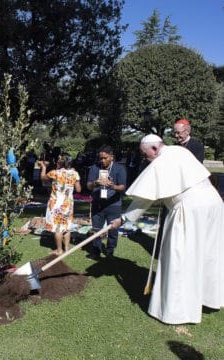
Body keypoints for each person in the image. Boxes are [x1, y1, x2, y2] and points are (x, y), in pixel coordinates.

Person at [111, 134, 223, 324]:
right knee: (208, 253)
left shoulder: (160, 162)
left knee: (179, 256)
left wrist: (123, 219)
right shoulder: (180, 151)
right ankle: (207, 298)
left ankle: (178, 310)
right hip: (213, 203)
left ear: (154, 149)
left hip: (190, 209)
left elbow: (144, 200)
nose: (145, 158)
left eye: (145, 154)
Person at [86, 145, 127, 259]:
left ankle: (110, 250)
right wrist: (95, 183)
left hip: (113, 204)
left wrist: (112, 186)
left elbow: (123, 187)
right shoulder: (94, 168)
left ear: (112, 157)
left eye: (105, 158)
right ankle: (96, 251)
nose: (102, 160)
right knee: (96, 229)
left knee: (113, 229)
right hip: (98, 204)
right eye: (100, 158)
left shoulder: (119, 169)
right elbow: (88, 186)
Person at [39, 155, 81, 255]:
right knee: (67, 226)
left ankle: (59, 250)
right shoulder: (75, 174)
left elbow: (43, 178)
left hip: (56, 204)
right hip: (68, 203)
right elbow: (79, 190)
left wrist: (44, 167)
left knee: (58, 227)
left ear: (60, 164)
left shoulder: (55, 173)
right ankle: (66, 248)